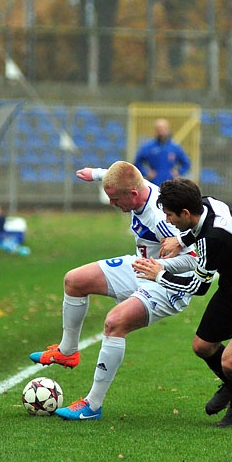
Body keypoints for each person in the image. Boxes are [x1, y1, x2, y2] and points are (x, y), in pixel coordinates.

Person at [29, 161, 198, 421]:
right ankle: (67, 351)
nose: (111, 203)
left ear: (132, 194)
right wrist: (95, 174)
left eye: (114, 198)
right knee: (75, 280)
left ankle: (92, 406)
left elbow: (194, 259)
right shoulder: (135, 187)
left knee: (114, 322)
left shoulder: (160, 218)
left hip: (167, 281)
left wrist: (159, 266)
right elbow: (118, 173)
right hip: (142, 265)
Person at [134, 178, 232, 428]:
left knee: (231, 361)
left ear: (185, 212)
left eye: (170, 215)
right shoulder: (210, 204)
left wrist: (159, 275)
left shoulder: (212, 240)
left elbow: (199, 287)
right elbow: (212, 225)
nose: (168, 221)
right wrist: (182, 240)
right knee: (202, 346)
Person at [133, 118, 191, 185]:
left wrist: (178, 172)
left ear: (168, 129)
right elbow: (137, 163)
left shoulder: (175, 147)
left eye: (163, 128)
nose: (161, 131)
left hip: (170, 183)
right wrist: (146, 173)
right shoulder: (148, 147)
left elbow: (186, 163)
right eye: (158, 129)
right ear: (155, 130)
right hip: (154, 182)